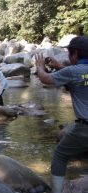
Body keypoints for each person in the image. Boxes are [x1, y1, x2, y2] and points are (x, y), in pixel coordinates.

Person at [35, 36, 88, 193]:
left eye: (69, 53)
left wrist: (39, 67)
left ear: (75, 54)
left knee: (60, 155)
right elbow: (82, 80)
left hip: (85, 128)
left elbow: (45, 79)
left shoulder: (72, 71)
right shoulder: (73, 72)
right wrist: (59, 67)